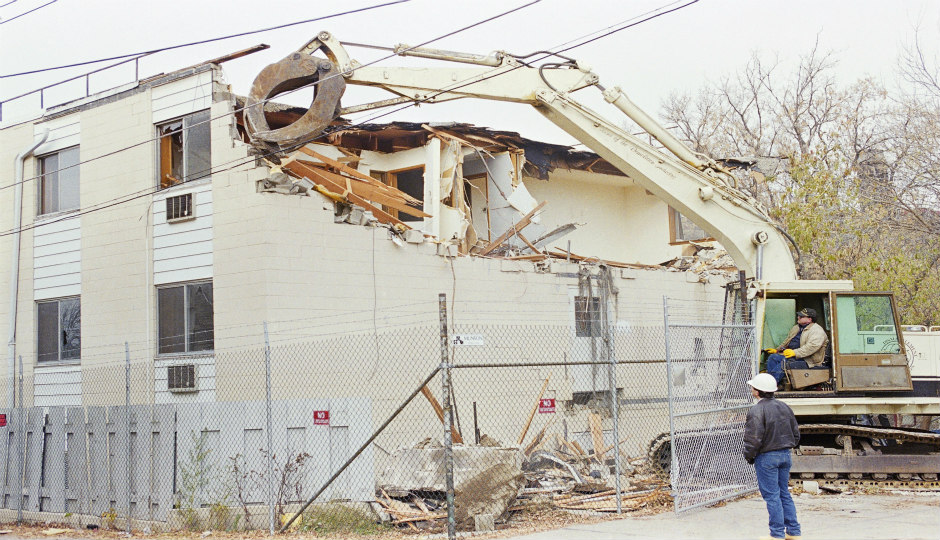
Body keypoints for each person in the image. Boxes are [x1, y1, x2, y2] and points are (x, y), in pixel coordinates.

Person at [744, 373, 802, 540]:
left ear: (757, 391)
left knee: (772, 496)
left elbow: (753, 438)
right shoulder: (784, 406)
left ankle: (776, 534)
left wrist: (749, 456)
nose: (751, 389)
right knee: (784, 493)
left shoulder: (757, 410)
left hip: (767, 457)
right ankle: (793, 531)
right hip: (785, 454)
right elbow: (795, 433)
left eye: (753, 387)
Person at [763, 308, 828, 386]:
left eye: (801, 316)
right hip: (794, 356)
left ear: (810, 319)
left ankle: (770, 385)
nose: (798, 317)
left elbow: (811, 347)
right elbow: (787, 340)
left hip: (808, 360)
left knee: (784, 362)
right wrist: (777, 350)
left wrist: (794, 352)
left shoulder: (817, 331)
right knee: (773, 357)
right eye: (798, 315)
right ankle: (775, 383)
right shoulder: (796, 327)